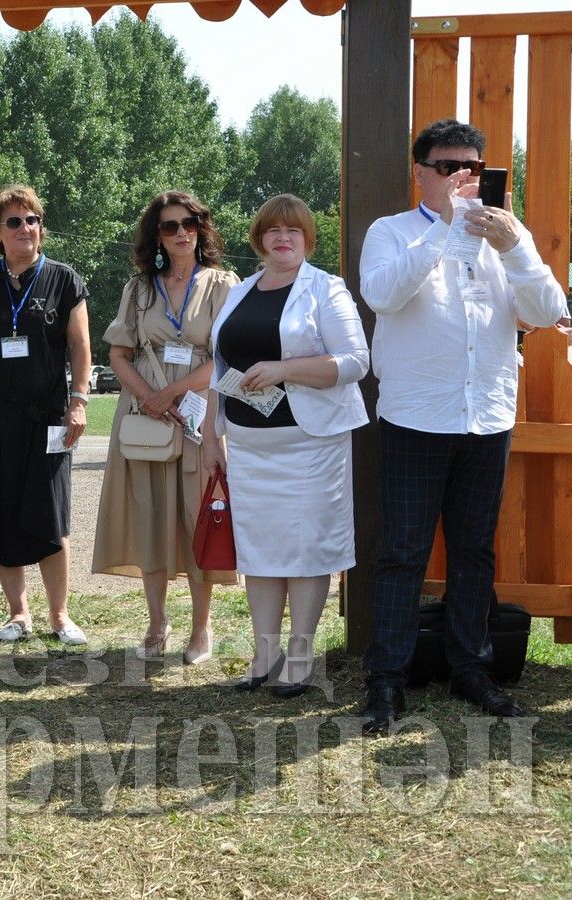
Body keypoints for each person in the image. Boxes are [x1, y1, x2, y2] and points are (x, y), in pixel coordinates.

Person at [359, 119, 566, 730]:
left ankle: (471, 668)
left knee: (474, 552)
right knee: (402, 553)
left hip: (487, 418)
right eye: (447, 167)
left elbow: (548, 311)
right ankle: (387, 679)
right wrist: (447, 229)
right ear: (419, 173)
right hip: (416, 418)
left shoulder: (508, 237)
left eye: (470, 168)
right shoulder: (391, 232)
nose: (460, 178)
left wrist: (515, 246)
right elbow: (383, 296)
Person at [201, 194, 368, 697]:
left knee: (307, 552)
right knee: (261, 553)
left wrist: (284, 370)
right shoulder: (241, 290)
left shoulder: (326, 289)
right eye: (273, 230)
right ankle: (264, 652)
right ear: (259, 239)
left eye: (293, 231)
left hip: (311, 446)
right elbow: (219, 365)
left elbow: (357, 361)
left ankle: (300, 655)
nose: (283, 238)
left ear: (307, 239)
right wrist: (212, 433)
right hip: (250, 448)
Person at [92, 191, 239, 664]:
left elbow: (226, 358)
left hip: (199, 411)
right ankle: (157, 624)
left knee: (198, 517)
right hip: (144, 416)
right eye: (170, 226)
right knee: (150, 514)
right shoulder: (139, 290)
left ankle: (202, 627)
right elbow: (118, 352)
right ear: (156, 235)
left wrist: (172, 395)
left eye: (189, 223)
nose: (181, 233)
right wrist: (148, 397)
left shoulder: (222, 284)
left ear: (202, 228)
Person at [0, 184, 92, 646]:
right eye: (14, 221)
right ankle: (18, 614)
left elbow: (81, 346)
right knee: (2, 513)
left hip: (47, 416)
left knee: (50, 515)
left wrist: (80, 400)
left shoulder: (65, 279)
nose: (25, 229)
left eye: (32, 220)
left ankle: (60, 615)